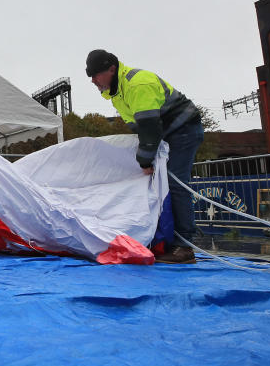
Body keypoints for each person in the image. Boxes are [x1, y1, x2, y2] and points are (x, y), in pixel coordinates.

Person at [85, 49, 204, 263]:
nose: (93, 80)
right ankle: (166, 239)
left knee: (175, 183)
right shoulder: (117, 93)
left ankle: (184, 246)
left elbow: (149, 128)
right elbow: (140, 129)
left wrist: (145, 159)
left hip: (183, 130)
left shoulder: (137, 84)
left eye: (96, 74)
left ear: (111, 69)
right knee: (160, 184)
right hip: (166, 135)